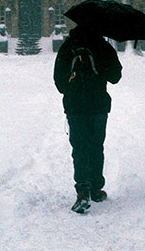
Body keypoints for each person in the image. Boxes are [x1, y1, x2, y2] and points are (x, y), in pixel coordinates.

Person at [53, 24, 122, 214]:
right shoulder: (102, 46)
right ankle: (96, 188)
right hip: (98, 105)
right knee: (96, 145)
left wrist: (72, 90)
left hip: (75, 106)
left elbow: (59, 80)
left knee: (79, 146)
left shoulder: (68, 46)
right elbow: (115, 76)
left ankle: (82, 187)